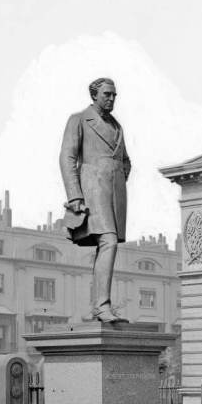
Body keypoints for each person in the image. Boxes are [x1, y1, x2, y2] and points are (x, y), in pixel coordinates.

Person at [59, 77, 131, 323]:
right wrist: (75, 195)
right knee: (108, 241)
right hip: (92, 190)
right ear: (94, 95)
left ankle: (98, 307)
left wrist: (118, 176)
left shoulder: (117, 126)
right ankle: (102, 306)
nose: (111, 99)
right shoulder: (78, 119)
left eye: (114, 95)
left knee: (108, 244)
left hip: (114, 192)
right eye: (107, 94)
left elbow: (125, 160)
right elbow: (67, 157)